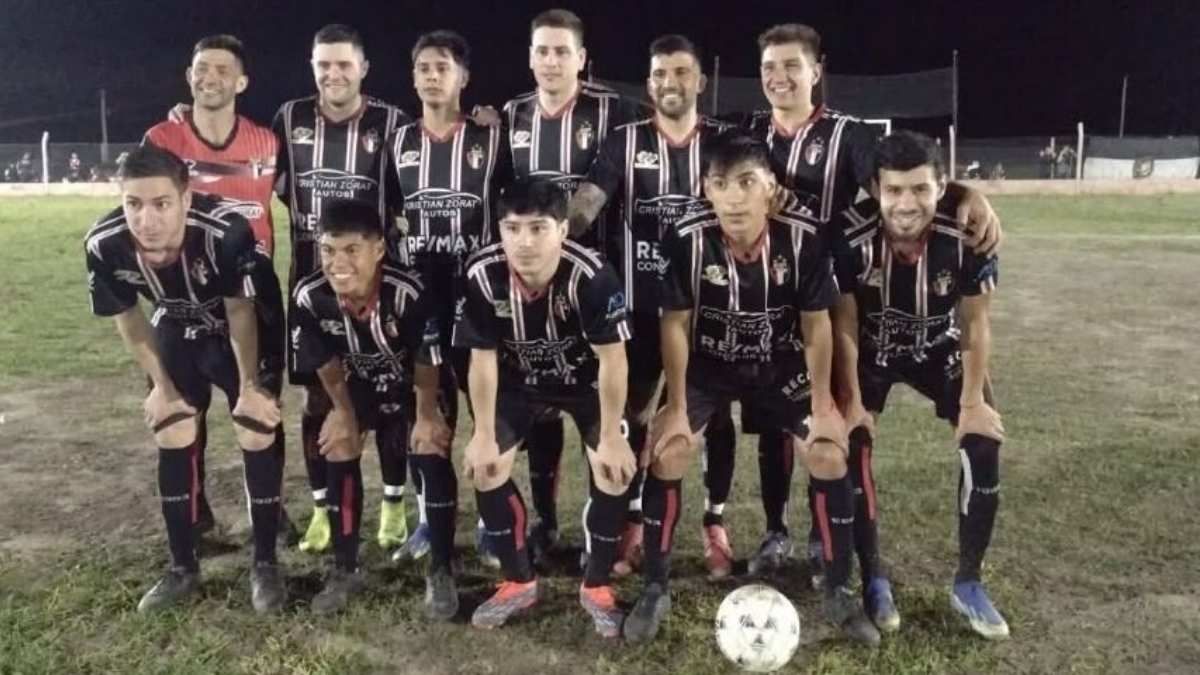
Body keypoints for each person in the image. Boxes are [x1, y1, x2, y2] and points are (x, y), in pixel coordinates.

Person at [632, 130, 879, 645]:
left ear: (770, 187)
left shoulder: (803, 238)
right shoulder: (686, 235)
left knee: (830, 454)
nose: (735, 197)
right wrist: (676, 406)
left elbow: (817, 325)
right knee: (668, 452)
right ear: (707, 189)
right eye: (722, 184)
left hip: (779, 365)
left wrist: (821, 403)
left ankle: (837, 589)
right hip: (710, 365)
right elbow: (675, 324)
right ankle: (655, 586)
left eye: (748, 182)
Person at [84, 144, 286, 613]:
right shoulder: (104, 243)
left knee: (255, 429)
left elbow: (241, 312)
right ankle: (182, 566)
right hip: (177, 325)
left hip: (244, 327)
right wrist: (162, 387)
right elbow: (130, 319)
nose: (146, 219)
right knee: (173, 425)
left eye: (161, 204)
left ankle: (265, 563)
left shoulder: (226, 233)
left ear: (186, 198)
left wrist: (252, 387)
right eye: (133, 204)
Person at [830, 130, 1008, 639]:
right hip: (871, 352)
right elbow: (842, 322)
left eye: (921, 190)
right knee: (852, 446)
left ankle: (969, 583)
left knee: (984, 439)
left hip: (938, 346)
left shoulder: (967, 233)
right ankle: (874, 577)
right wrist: (856, 402)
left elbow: (975, 324)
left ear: (941, 186)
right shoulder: (850, 237)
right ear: (875, 190)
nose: (907, 204)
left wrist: (972, 402)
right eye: (894, 191)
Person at [568, 33, 732, 578]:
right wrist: (548, 244)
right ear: (649, 83)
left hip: (711, 309)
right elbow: (587, 206)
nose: (670, 83)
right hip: (638, 309)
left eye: (682, 73)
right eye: (661, 74)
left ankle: (716, 524)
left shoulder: (725, 143)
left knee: (715, 416)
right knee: (635, 414)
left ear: (700, 82)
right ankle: (634, 520)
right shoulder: (624, 142)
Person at [454, 178, 635, 637]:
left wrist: (613, 435)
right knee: (487, 465)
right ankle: (519, 581)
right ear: (500, 230)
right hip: (520, 383)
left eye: (538, 228)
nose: (525, 242)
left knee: (613, 469)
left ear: (562, 230)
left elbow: (613, 359)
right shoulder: (481, 274)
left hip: (583, 383)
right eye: (513, 229)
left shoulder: (591, 275)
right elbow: (482, 358)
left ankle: (596, 586)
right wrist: (481, 433)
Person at [497, 9, 642, 563]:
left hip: (594, 286)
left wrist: (562, 236)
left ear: (582, 59)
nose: (551, 61)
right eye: (542, 51)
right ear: (530, 57)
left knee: (602, 408)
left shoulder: (616, 110)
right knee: (541, 404)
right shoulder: (510, 116)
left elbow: (607, 180)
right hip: (530, 284)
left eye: (562, 51)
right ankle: (547, 522)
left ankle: (609, 530)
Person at [272, 24, 415, 555]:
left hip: (380, 290)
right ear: (313, 68)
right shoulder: (289, 119)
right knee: (316, 402)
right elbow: (267, 177)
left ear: (363, 69)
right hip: (313, 290)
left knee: (394, 400)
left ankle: (395, 505)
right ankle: (323, 509)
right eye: (323, 65)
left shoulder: (391, 122)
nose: (333, 74)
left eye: (343, 64)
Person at [145, 34, 291, 544]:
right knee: (185, 417)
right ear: (189, 76)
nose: (210, 77)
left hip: (252, 308)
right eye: (201, 68)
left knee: (261, 413)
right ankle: (195, 513)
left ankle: (271, 512)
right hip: (186, 308)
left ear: (242, 81)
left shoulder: (268, 144)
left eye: (222, 70)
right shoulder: (162, 140)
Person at [290, 199, 454, 616]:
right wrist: (342, 412)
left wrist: (426, 416)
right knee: (339, 441)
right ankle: (346, 568)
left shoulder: (409, 291)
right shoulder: (310, 296)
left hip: (416, 386)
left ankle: (441, 569)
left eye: (351, 250)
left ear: (379, 249)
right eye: (328, 250)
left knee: (429, 444)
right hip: (358, 384)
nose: (337, 263)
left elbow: (425, 359)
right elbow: (324, 362)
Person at [385, 29, 513, 563]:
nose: (432, 76)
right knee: (430, 413)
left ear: (463, 77)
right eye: (423, 68)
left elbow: (512, 208)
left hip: (478, 295)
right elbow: (387, 213)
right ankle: (427, 518)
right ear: (414, 78)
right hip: (421, 296)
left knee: (487, 412)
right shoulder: (397, 139)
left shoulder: (491, 138)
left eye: (443, 67)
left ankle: (489, 519)